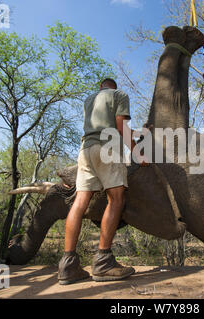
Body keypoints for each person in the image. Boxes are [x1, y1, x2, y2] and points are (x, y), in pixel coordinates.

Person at [58, 78, 148, 285]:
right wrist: (137, 153)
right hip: (107, 149)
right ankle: (103, 262)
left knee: (80, 202)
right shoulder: (119, 95)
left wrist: (142, 133)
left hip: (86, 151)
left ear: (100, 87)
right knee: (116, 199)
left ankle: (68, 265)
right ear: (113, 88)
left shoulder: (89, 100)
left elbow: (108, 128)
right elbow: (120, 128)